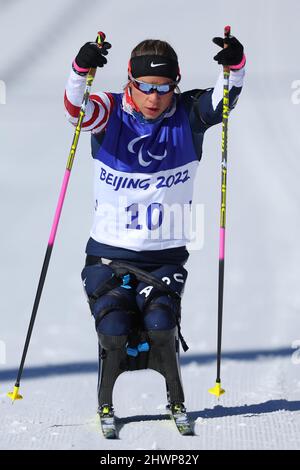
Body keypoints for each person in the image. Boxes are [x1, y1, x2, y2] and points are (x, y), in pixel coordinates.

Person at [64, 32, 245, 418]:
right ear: (129, 81)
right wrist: (80, 71)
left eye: (164, 88)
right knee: (114, 330)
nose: (153, 97)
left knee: (161, 327)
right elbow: (76, 111)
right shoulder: (109, 112)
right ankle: (106, 400)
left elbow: (223, 100)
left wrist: (235, 67)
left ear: (175, 84)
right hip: (108, 254)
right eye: (144, 86)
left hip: (165, 256)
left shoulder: (188, 113)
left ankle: (175, 395)